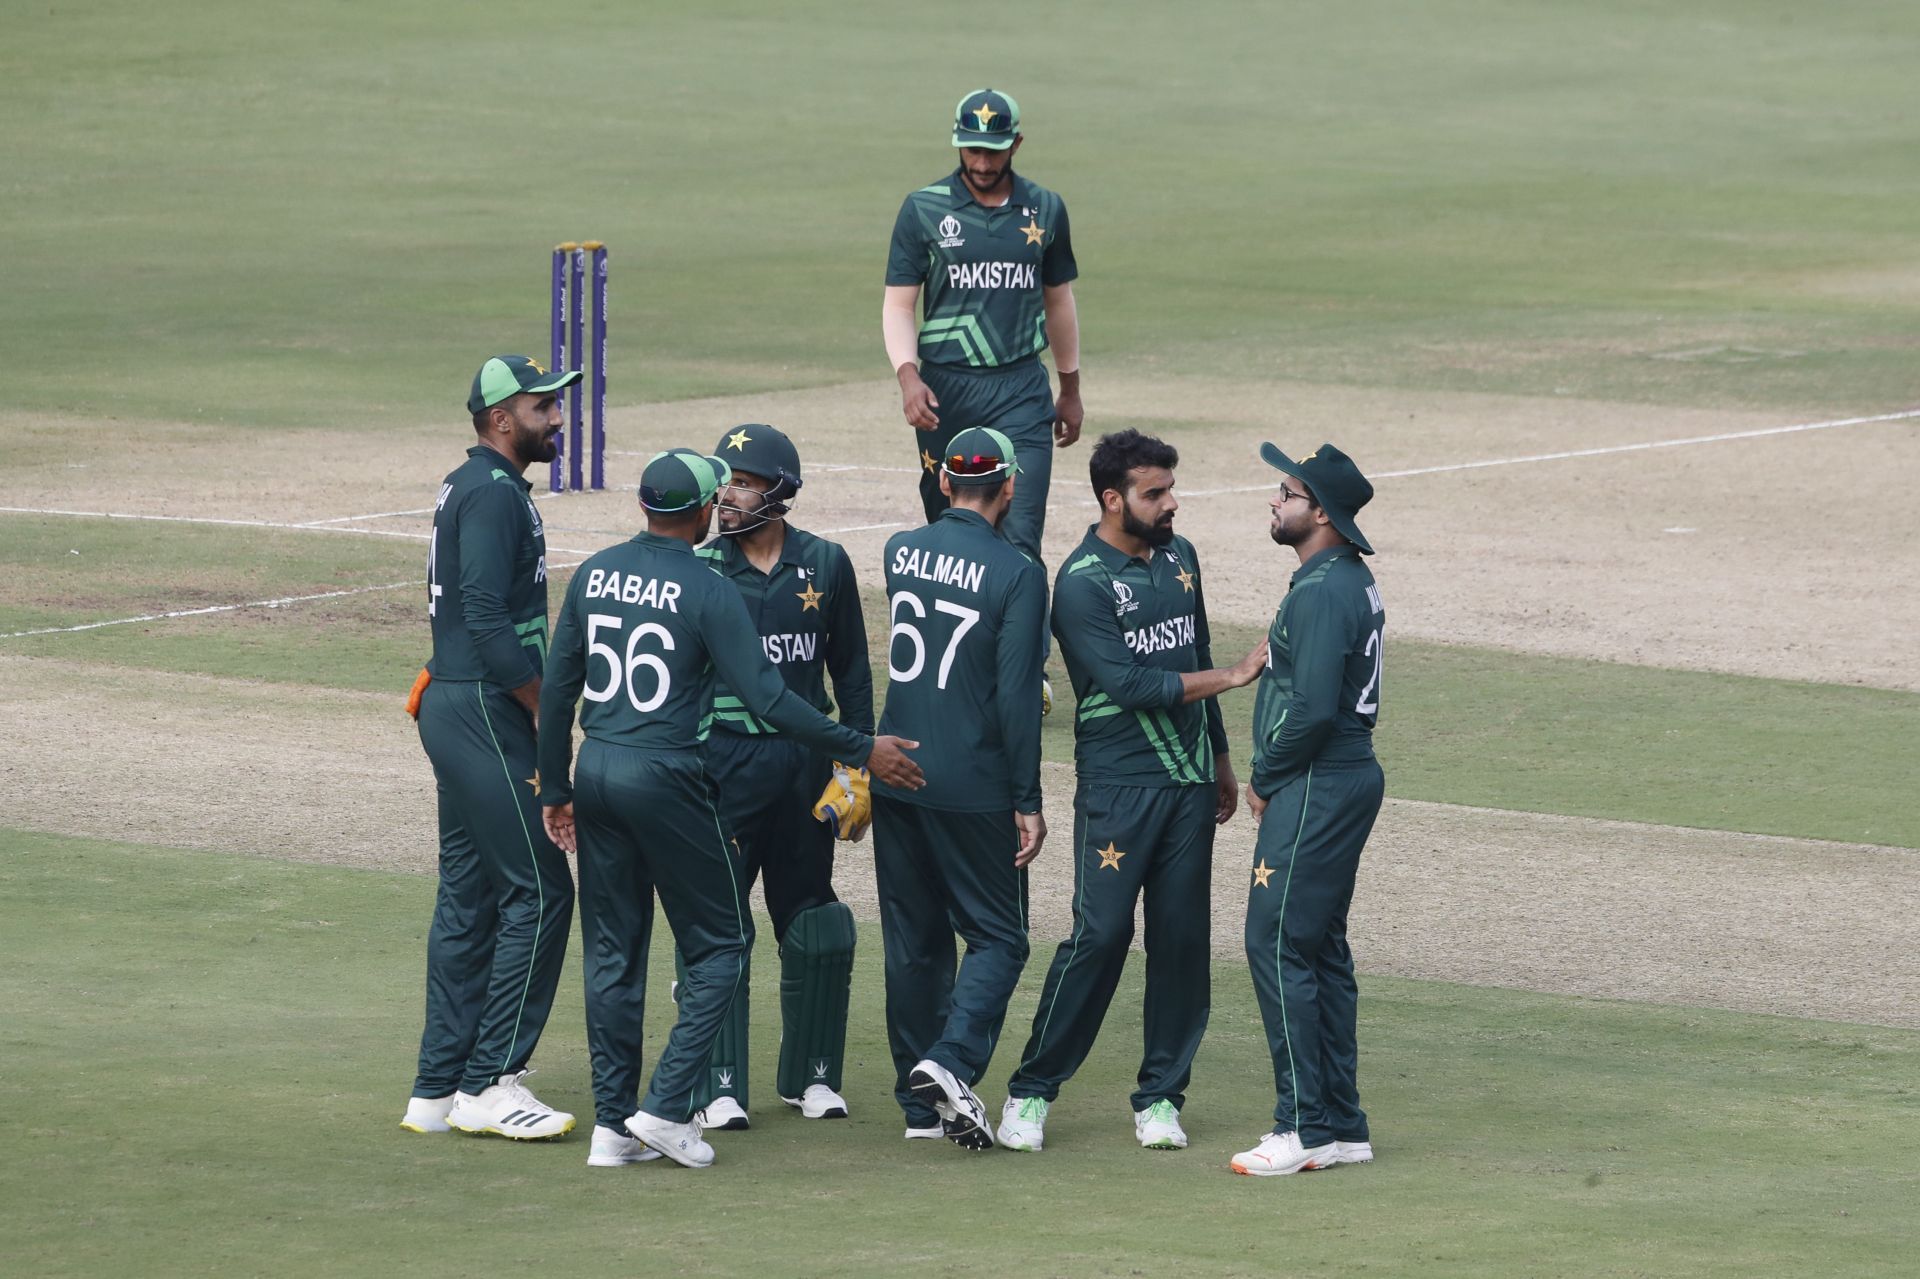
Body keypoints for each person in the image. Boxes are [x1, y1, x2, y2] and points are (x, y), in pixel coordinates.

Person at [536, 447, 923, 1171]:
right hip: (670, 777)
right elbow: (773, 700)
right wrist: (861, 747)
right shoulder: (707, 586)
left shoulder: (594, 572)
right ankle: (664, 1106)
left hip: (595, 771)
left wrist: (554, 788)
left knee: (614, 956)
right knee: (721, 945)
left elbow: (560, 691)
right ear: (706, 509)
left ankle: (612, 1127)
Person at [995, 430, 1267, 1155]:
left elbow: (1194, 651)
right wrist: (1236, 680)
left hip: (1186, 789)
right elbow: (1131, 684)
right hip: (1119, 788)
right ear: (1113, 499)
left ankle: (1160, 1098)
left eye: (1171, 488)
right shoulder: (1081, 581)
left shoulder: (1181, 558)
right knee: (1101, 935)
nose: (1171, 503)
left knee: (1181, 942)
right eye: (1155, 492)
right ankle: (1030, 1090)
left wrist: (1219, 755)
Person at [399, 354, 584, 1142]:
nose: (558, 419)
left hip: (460, 700)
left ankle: (437, 1089)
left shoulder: (478, 484)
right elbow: (482, 606)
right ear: (503, 419)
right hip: (481, 703)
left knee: (471, 896)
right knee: (542, 894)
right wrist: (541, 707)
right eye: (545, 407)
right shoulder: (494, 492)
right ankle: (488, 1081)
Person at [679, 423, 872, 1132]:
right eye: (724, 479)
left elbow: (850, 670)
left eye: (743, 480)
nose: (726, 493)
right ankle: (718, 1083)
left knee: (816, 920)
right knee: (720, 925)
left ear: (781, 492)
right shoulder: (700, 569)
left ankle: (813, 1078)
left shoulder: (827, 563)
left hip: (802, 767)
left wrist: (856, 769)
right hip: (723, 763)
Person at [870, 426, 1049, 1151]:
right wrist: (1028, 797)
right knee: (1000, 937)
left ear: (944, 484)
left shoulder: (897, 550)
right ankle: (948, 1064)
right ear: (1010, 487)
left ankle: (919, 1114)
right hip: (971, 779)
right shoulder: (1019, 571)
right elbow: (1016, 698)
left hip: (895, 769)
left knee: (913, 941)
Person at [1230, 443, 1387, 1178]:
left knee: (1279, 941)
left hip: (1319, 778)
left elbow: (1315, 709)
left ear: (1320, 511)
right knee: (1319, 946)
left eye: (1285, 492)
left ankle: (1305, 1125)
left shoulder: (1324, 589)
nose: (1273, 500)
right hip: (1338, 777)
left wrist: (1263, 775)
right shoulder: (1338, 578)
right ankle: (1342, 1121)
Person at [882, 88, 1083, 564]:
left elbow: (1059, 302)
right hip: (945, 391)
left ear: (1015, 144)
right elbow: (899, 306)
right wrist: (908, 377)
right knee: (951, 536)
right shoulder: (923, 209)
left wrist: (1070, 388)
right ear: (957, 144)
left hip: (1020, 389)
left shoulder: (1046, 208)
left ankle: (1021, 642)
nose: (983, 163)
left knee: (1020, 540)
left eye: (993, 151)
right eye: (973, 150)